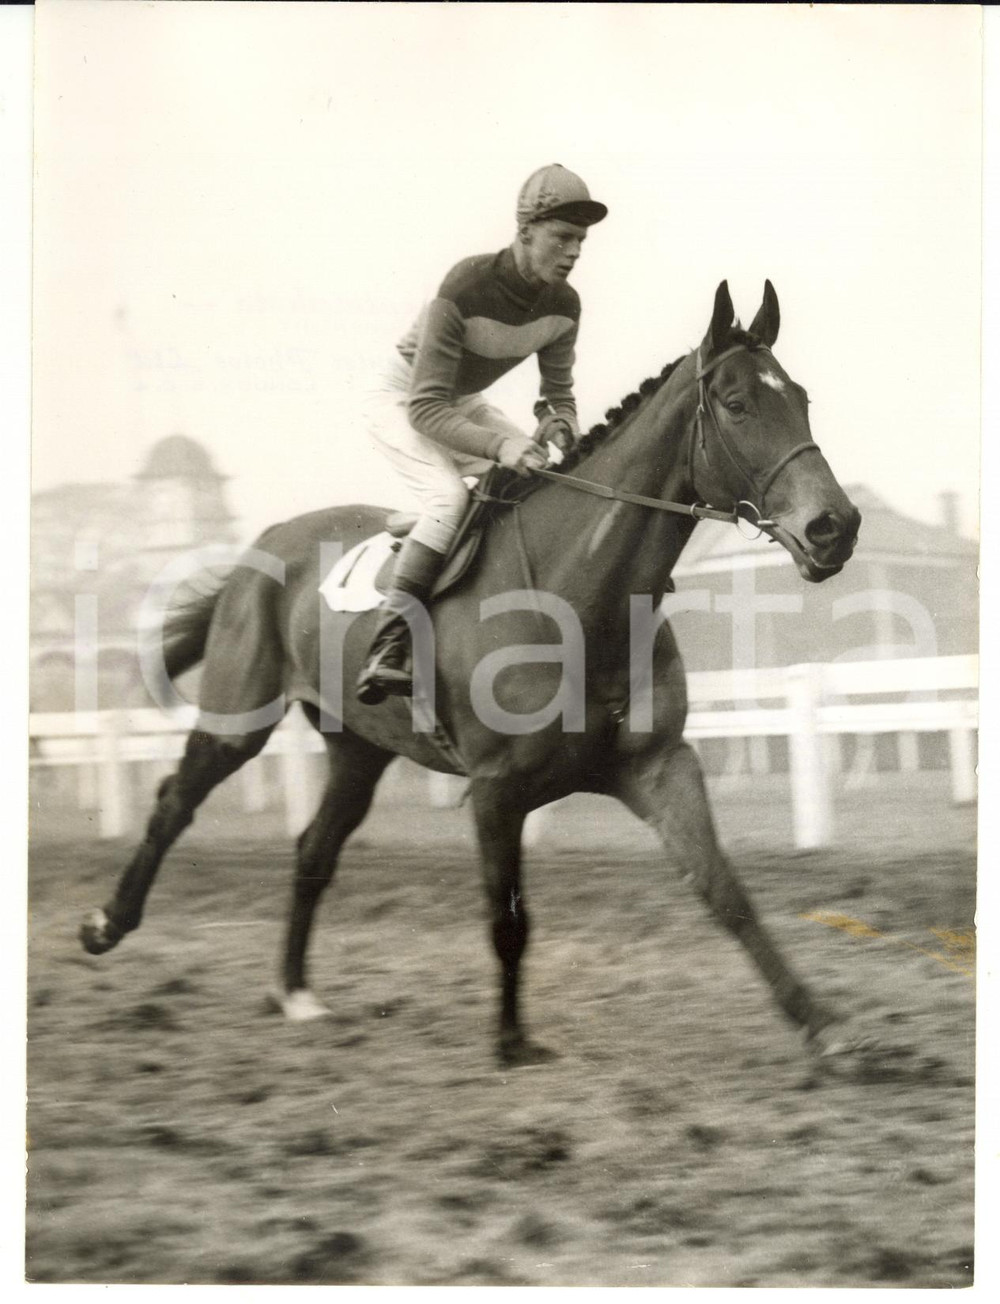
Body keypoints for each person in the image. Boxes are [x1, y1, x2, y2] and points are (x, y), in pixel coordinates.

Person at [356, 163, 608, 705]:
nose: (572, 253)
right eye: (561, 238)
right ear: (524, 232)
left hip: (460, 400)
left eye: (580, 242)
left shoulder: (565, 305)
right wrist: (501, 444)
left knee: (540, 477)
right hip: (404, 397)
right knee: (447, 497)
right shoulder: (466, 285)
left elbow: (556, 393)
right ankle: (389, 643)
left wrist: (558, 421)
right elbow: (426, 410)